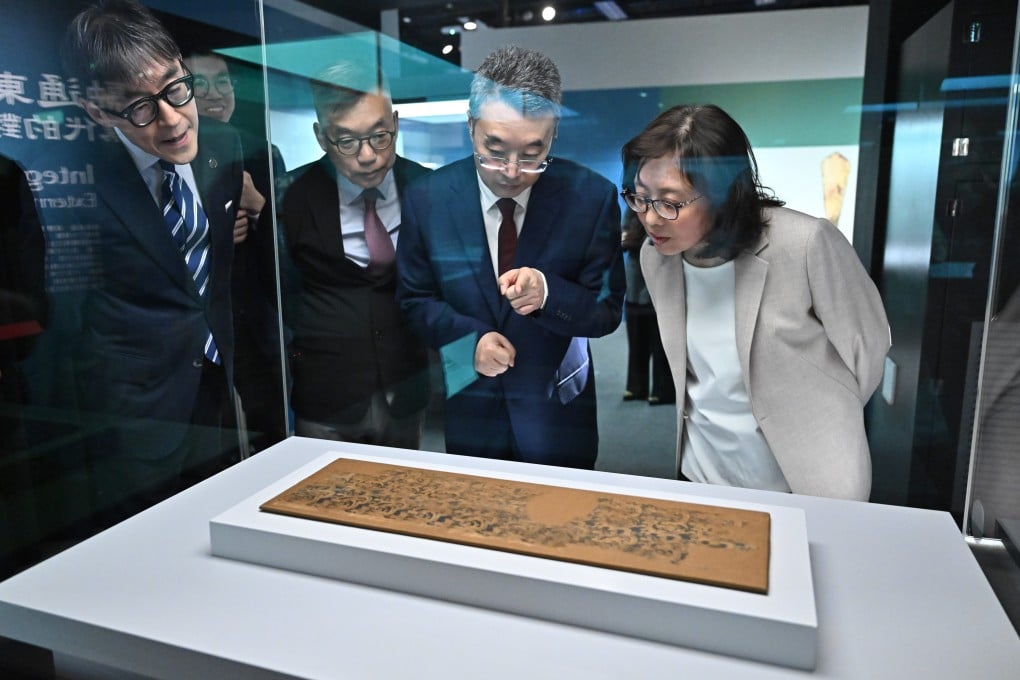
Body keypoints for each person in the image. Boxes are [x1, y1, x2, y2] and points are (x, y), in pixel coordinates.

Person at [622, 104, 890, 501]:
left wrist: (821, 415)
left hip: (804, 481)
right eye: (640, 197)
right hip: (702, 475)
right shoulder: (656, 257)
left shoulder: (805, 244)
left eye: (669, 202)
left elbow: (867, 350)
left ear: (722, 195)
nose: (650, 218)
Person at [396, 45, 625, 469]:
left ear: (554, 133)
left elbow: (607, 309)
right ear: (470, 127)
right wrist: (470, 343)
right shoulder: (427, 198)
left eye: (533, 153)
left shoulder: (591, 198)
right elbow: (415, 299)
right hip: (471, 411)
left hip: (556, 415)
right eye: (495, 150)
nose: (512, 171)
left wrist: (549, 295)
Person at [60, 0, 245, 518]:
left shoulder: (224, 148)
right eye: (139, 107)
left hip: (215, 384)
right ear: (98, 111)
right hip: (136, 410)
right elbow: (71, 319)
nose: (172, 120)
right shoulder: (77, 180)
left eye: (175, 88)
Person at [281, 62, 431, 448]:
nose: (367, 156)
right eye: (346, 141)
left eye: (380, 136)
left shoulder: (427, 189)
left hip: (406, 386)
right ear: (320, 136)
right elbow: (276, 294)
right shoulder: (290, 197)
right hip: (326, 395)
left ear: (395, 122)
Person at [185, 50, 287, 452]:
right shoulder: (173, 152)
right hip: (200, 327)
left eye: (222, 82)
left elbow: (290, 243)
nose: (213, 94)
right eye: (198, 84)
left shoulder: (262, 151)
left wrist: (260, 209)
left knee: (272, 431)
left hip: (258, 319)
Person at [621, 209, 674, 406]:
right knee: (636, 339)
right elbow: (625, 236)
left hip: (660, 279)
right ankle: (636, 387)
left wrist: (634, 239)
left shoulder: (663, 205)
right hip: (635, 281)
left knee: (660, 342)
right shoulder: (632, 208)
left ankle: (662, 390)